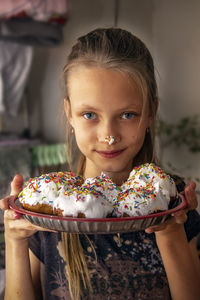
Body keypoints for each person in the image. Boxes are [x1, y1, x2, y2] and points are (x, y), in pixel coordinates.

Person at [1, 27, 200, 300]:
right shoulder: (51, 209)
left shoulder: (175, 203)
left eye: (128, 114)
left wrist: (170, 230)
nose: (109, 135)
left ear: (151, 111)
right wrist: (15, 241)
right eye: (90, 114)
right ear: (70, 114)